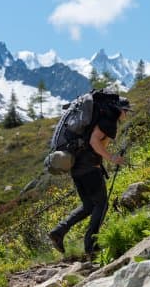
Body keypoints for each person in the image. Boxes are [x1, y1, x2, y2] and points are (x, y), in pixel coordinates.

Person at [49, 96, 132, 261]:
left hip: (76, 167)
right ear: (119, 109)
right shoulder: (109, 121)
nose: (126, 115)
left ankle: (58, 232)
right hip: (89, 170)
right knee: (102, 204)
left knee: (88, 205)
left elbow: (93, 142)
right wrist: (111, 158)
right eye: (126, 111)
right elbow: (95, 142)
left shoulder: (100, 118)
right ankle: (91, 246)